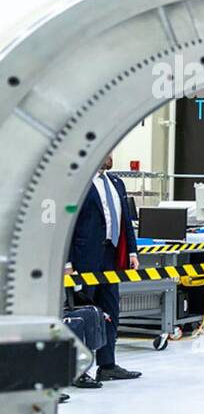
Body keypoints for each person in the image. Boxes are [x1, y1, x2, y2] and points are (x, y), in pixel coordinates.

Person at [67, 155, 141, 381]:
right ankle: (80, 370)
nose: (109, 156)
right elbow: (67, 224)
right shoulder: (76, 183)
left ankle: (107, 365)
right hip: (84, 258)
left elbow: (125, 220)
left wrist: (132, 251)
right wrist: (67, 261)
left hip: (111, 255)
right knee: (83, 313)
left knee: (111, 310)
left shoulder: (116, 182)